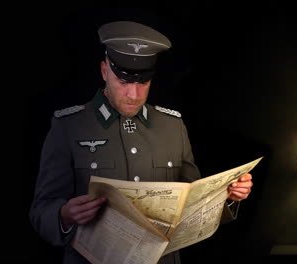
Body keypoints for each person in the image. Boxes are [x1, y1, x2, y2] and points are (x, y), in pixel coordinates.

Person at [29, 20, 254, 264]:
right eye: (124, 83)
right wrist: (64, 215)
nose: (134, 95)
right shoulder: (68, 126)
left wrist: (228, 195)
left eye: (143, 83)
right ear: (105, 71)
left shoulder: (173, 126)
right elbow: (41, 212)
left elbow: (192, 202)